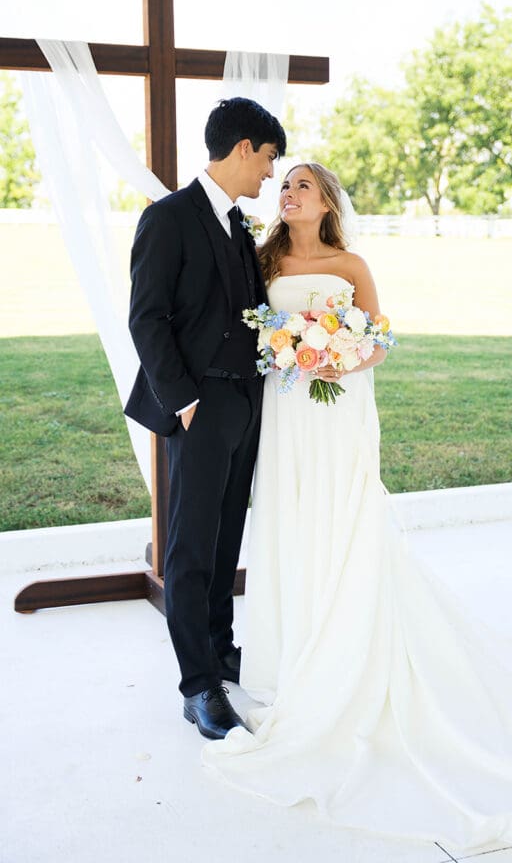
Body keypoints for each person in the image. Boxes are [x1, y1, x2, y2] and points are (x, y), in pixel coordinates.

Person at [203, 161, 512, 858]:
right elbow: (246, 326)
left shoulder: (352, 264)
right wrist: (286, 347)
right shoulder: (262, 259)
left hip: (338, 409)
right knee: (289, 515)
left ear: (327, 201)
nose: (290, 192)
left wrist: (339, 358)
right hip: (285, 410)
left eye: (303, 184)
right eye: (286, 185)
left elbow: (378, 339)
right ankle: (292, 654)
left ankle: (348, 645)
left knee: (343, 516)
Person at [125, 97, 286, 740]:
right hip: (199, 407)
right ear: (243, 148)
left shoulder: (240, 225)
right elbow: (147, 318)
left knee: (225, 539)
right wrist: (185, 401)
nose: (271, 172)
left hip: (246, 402)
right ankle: (197, 686)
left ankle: (219, 648)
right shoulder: (168, 218)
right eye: (269, 158)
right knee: (191, 548)